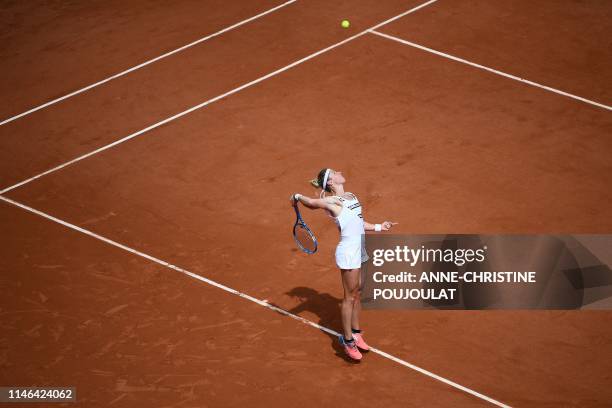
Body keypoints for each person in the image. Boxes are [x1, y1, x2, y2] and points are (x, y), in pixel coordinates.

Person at [291, 168, 397, 361]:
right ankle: (347, 341)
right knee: (349, 297)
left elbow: (359, 222)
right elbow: (313, 203)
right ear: (331, 182)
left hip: (361, 248)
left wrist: (380, 226)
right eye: (335, 172)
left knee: (358, 292)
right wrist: (297, 196)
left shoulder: (351, 196)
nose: (340, 171)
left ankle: (356, 333)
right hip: (348, 252)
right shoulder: (333, 202)